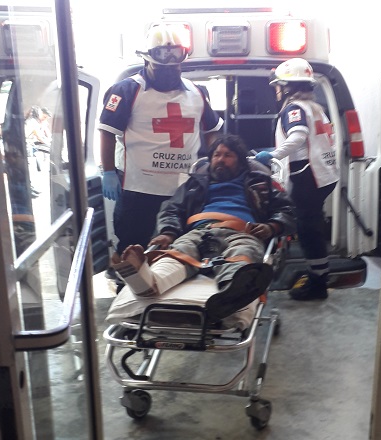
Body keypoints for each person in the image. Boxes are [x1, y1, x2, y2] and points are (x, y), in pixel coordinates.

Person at [113, 134, 296, 321]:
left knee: (243, 254)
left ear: (241, 161)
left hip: (243, 233)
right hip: (198, 232)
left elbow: (286, 210)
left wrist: (272, 226)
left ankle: (230, 295)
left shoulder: (261, 182)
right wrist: (168, 232)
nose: (220, 159)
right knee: (179, 252)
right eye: (217, 155)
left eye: (228, 155)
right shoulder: (194, 183)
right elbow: (171, 209)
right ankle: (146, 283)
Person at [98, 23, 224, 270]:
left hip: (183, 190)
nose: (169, 71)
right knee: (133, 250)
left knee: (182, 250)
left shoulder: (196, 92)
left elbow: (213, 131)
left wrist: (213, 164)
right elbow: (107, 131)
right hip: (138, 190)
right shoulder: (127, 90)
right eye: (161, 66)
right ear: (146, 60)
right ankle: (131, 290)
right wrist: (109, 171)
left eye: (175, 66)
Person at [255, 58, 339, 301]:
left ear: (287, 87)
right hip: (324, 175)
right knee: (312, 226)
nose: (276, 90)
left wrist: (272, 155)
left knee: (308, 230)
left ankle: (318, 283)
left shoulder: (294, 109)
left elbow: (298, 136)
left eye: (278, 86)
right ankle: (318, 273)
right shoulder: (315, 107)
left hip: (308, 176)